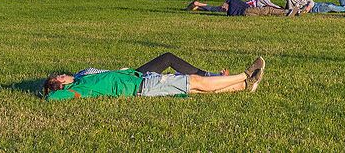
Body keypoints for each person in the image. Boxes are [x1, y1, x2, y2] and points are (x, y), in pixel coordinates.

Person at [43, 54, 265, 99]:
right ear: (61, 84)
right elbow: (53, 98)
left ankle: (243, 86)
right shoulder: (79, 89)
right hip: (144, 85)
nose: (65, 74)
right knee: (196, 82)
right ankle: (245, 75)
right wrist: (49, 90)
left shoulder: (82, 79)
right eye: (61, 76)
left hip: (141, 82)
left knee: (195, 88)